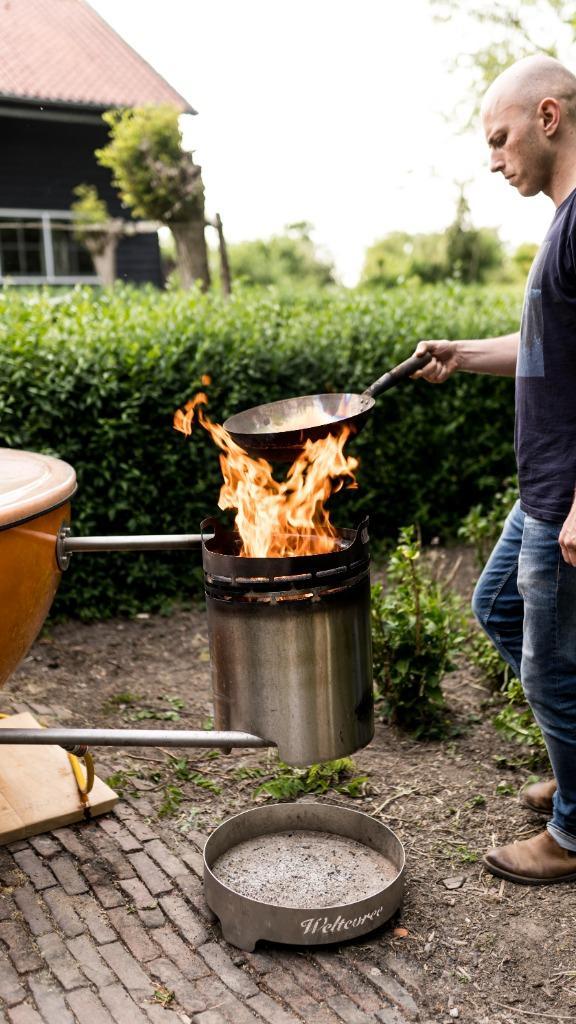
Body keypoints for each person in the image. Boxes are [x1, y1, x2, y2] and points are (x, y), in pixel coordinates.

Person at [414, 54, 576, 884]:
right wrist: (461, 353)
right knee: (495, 608)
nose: (493, 157)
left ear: (548, 118)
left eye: (500, 137)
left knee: (553, 668)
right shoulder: (564, 222)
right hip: (543, 489)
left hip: (568, 496)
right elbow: (551, 348)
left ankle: (575, 831)